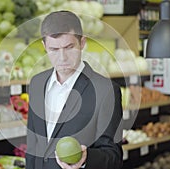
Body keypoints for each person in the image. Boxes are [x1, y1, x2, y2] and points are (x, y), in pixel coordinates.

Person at [26, 11, 123, 169]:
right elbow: (33, 146)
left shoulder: (106, 91)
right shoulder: (37, 83)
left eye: (69, 47)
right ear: (44, 47)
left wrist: (86, 159)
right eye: (54, 50)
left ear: (82, 43)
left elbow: (113, 156)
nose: (62, 58)